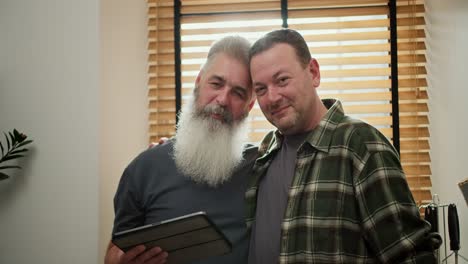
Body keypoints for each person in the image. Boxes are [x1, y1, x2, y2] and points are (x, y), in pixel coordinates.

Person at [245, 29, 441, 264]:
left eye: (282, 80)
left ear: (314, 73)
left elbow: (410, 255)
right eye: (261, 89)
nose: (272, 97)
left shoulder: (361, 146)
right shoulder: (266, 151)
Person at [105, 35, 257, 264]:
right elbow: (113, 253)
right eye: (216, 84)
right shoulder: (144, 168)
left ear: (250, 105)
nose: (223, 99)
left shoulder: (263, 166)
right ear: (198, 82)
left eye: (238, 93)